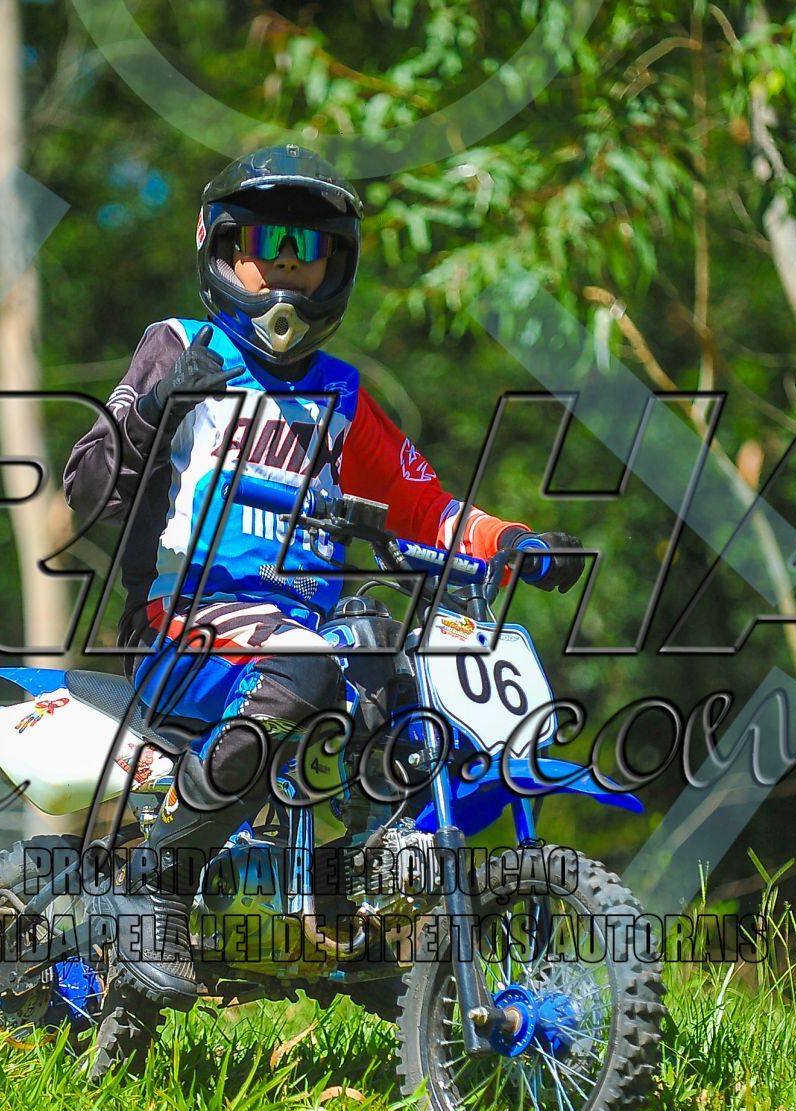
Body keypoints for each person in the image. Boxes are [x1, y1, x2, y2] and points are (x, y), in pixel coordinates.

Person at [62, 143, 581, 1001]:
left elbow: (426, 508)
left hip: (301, 633)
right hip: (180, 623)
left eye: (309, 248)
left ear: (336, 266)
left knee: (403, 676)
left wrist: (510, 540)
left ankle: (351, 893)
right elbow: (85, 487)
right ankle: (157, 882)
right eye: (269, 241)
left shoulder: (341, 394)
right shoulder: (179, 346)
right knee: (307, 667)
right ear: (222, 246)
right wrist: (155, 406)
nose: (287, 265)